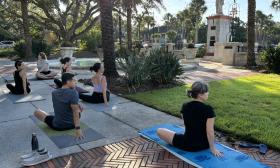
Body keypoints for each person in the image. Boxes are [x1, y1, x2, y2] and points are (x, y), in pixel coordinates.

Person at [157, 81, 223, 157]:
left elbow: (186, 124)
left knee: (159, 131)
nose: (208, 93)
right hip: (205, 145)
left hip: (188, 144)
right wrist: (212, 148)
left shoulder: (185, 106)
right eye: (207, 92)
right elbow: (210, 131)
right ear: (200, 94)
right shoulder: (208, 109)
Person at [34, 73, 84, 139]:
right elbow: (75, 111)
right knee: (78, 107)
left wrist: (78, 129)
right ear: (68, 82)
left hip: (59, 126)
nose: (76, 82)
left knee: (37, 112)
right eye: (74, 80)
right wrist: (78, 128)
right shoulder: (74, 92)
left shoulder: (54, 93)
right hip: (73, 124)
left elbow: (65, 107)